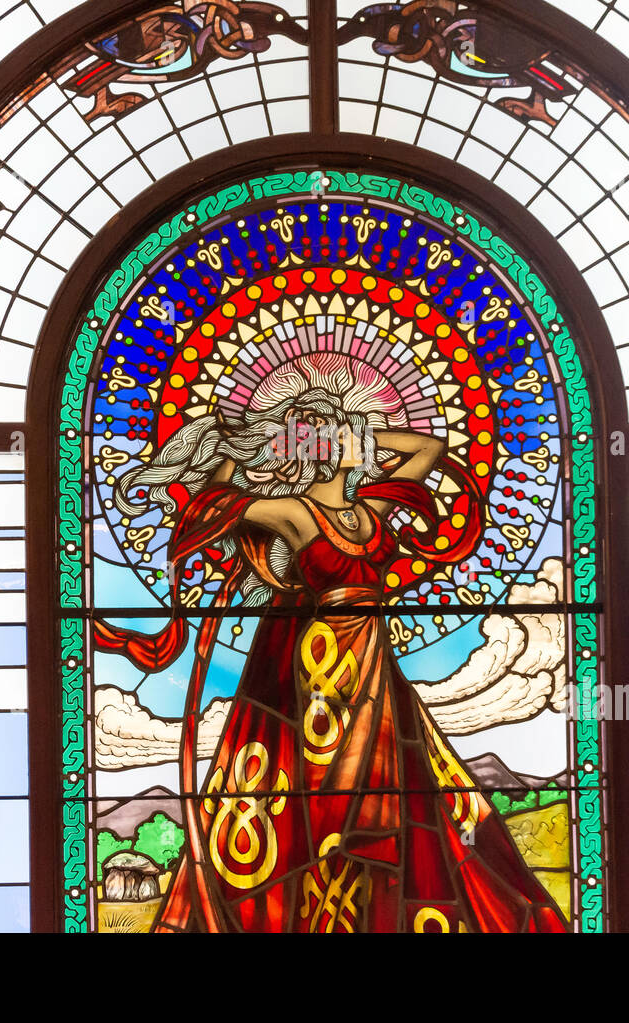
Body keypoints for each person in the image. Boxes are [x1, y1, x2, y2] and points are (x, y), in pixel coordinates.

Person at [94, 383, 566, 932]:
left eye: (350, 429)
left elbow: (428, 451)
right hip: (318, 669)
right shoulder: (297, 513)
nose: (349, 436)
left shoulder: (372, 509)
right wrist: (245, 448)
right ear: (311, 445)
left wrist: (356, 432)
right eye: (334, 431)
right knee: (316, 792)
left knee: (392, 788)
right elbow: (218, 505)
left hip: (375, 667)